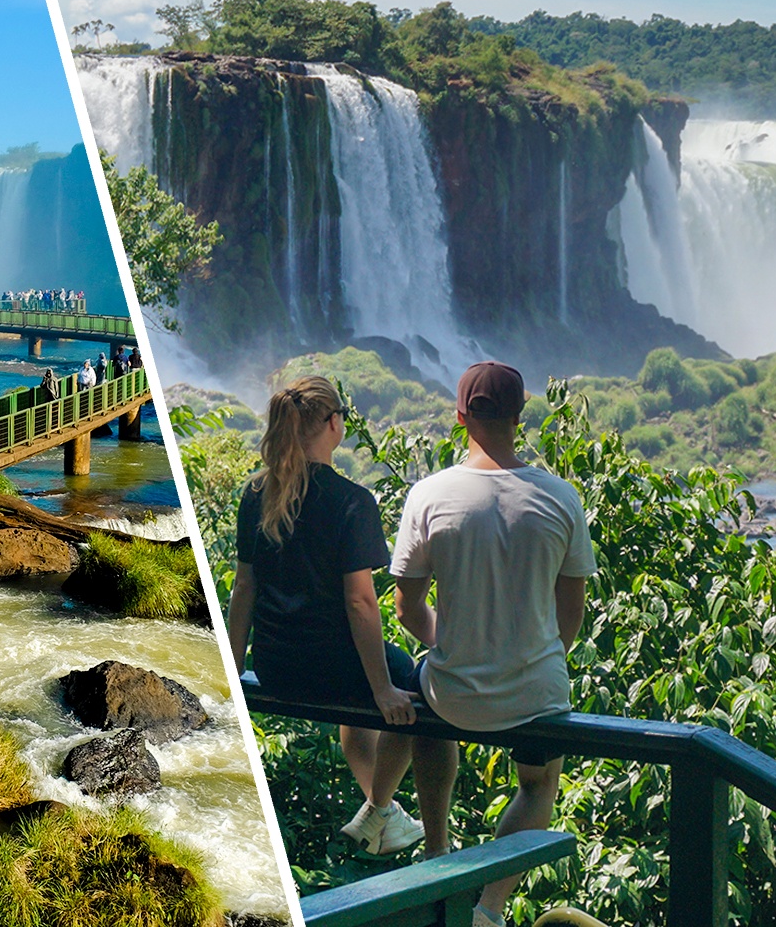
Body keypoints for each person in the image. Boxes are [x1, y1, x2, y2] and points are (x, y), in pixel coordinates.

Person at [391, 361, 596, 927]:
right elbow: (570, 612)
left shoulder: (429, 495)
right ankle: (489, 906)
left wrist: (451, 642)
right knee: (538, 785)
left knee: (421, 701)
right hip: (536, 692)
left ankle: (436, 854)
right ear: (520, 417)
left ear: (460, 418)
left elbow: (406, 608)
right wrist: (527, 653)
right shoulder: (560, 498)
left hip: (452, 689)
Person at [225, 375, 424, 856]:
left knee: (362, 714)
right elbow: (360, 603)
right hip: (336, 668)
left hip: (275, 667)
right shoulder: (352, 501)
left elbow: (244, 588)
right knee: (415, 685)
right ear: (333, 424)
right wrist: (381, 686)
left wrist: (231, 670)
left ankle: (385, 816)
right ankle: (379, 810)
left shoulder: (257, 495)